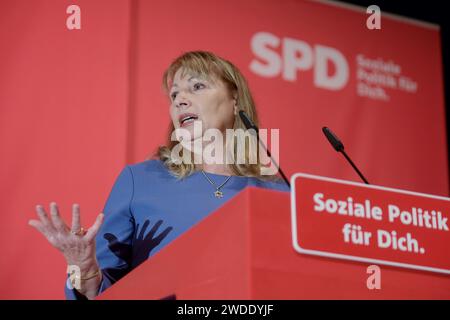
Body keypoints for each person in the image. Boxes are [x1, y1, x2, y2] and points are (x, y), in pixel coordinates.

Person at [28, 51, 289, 300]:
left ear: (235, 100)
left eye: (197, 87)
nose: (179, 100)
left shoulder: (280, 194)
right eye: (174, 94)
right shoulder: (140, 181)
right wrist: (82, 268)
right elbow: (97, 292)